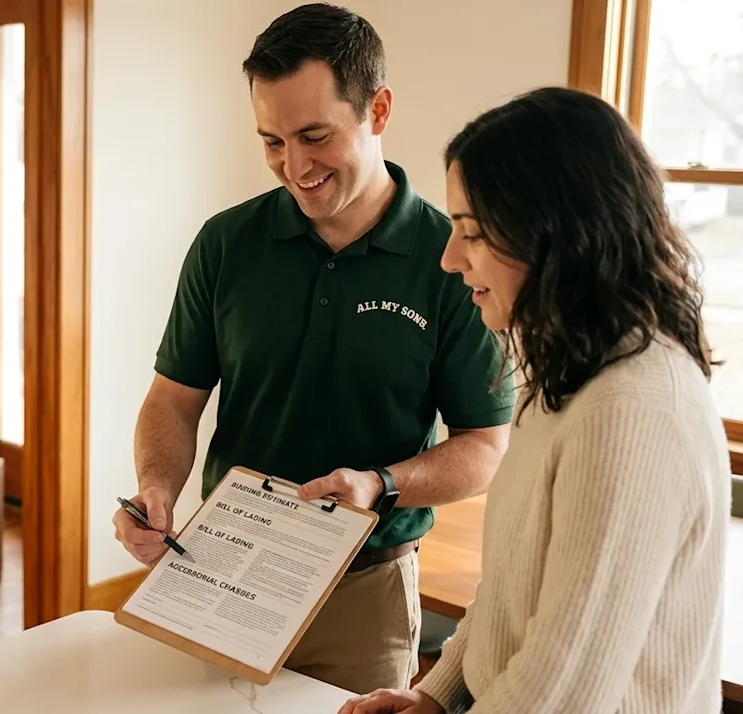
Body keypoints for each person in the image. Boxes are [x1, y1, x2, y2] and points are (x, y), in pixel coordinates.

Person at [111, 3, 516, 695]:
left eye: (314, 136)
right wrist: (156, 489)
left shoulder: (451, 258)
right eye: (272, 141)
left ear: (378, 110)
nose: (294, 166)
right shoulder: (225, 243)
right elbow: (172, 400)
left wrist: (379, 485)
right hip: (219, 570)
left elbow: (484, 446)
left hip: (364, 592)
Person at [337, 86, 732, 714]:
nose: (449, 259)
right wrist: (437, 695)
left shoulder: (633, 409)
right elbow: (509, 591)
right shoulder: (567, 377)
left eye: (473, 233)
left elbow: (564, 686)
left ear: (559, 235)